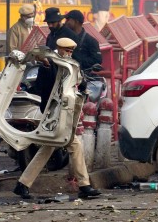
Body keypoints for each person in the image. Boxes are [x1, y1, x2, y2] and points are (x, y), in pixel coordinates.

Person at [13, 38, 101, 199]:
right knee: (74, 145)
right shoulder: (50, 65)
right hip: (52, 114)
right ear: (59, 49)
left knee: (49, 148)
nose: (68, 53)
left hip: (62, 113)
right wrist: (46, 65)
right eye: (66, 50)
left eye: (70, 51)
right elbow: (43, 85)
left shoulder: (70, 64)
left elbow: (78, 82)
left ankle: (23, 184)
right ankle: (84, 185)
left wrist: (83, 86)